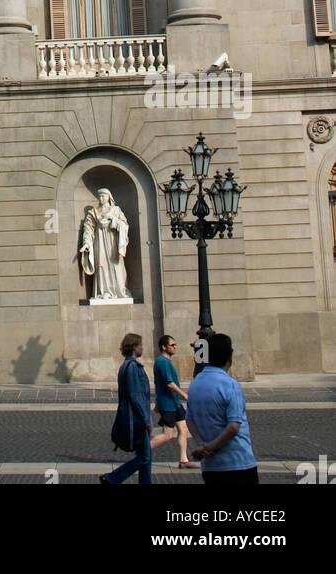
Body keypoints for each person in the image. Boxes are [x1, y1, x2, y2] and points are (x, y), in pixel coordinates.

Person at [186, 333, 258, 484]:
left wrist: (201, 445)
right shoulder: (231, 385)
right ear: (229, 356)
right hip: (238, 462)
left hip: (210, 467)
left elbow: (190, 420)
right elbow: (233, 427)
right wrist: (211, 447)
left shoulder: (195, 384)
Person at [101, 333, 152, 485]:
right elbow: (136, 395)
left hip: (135, 417)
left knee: (146, 456)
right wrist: (145, 419)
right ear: (134, 347)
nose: (142, 347)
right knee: (144, 457)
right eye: (140, 345)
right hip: (136, 419)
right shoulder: (132, 367)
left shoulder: (126, 366)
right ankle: (112, 478)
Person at [80, 189, 132, 301]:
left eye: (103, 195)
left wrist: (112, 219)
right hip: (100, 243)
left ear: (109, 197)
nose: (101, 198)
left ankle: (119, 290)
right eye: (99, 196)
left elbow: (124, 225)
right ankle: (104, 292)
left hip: (113, 242)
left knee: (116, 265)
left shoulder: (116, 210)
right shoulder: (94, 212)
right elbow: (88, 229)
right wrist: (86, 243)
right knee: (101, 266)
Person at [151, 334, 190, 466]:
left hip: (174, 403)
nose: (175, 347)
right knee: (168, 434)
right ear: (164, 347)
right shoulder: (163, 362)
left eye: (175, 344)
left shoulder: (165, 361)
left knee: (183, 428)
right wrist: (184, 395)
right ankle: (144, 451)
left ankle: (183, 459)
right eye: (172, 345)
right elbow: (169, 383)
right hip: (168, 404)